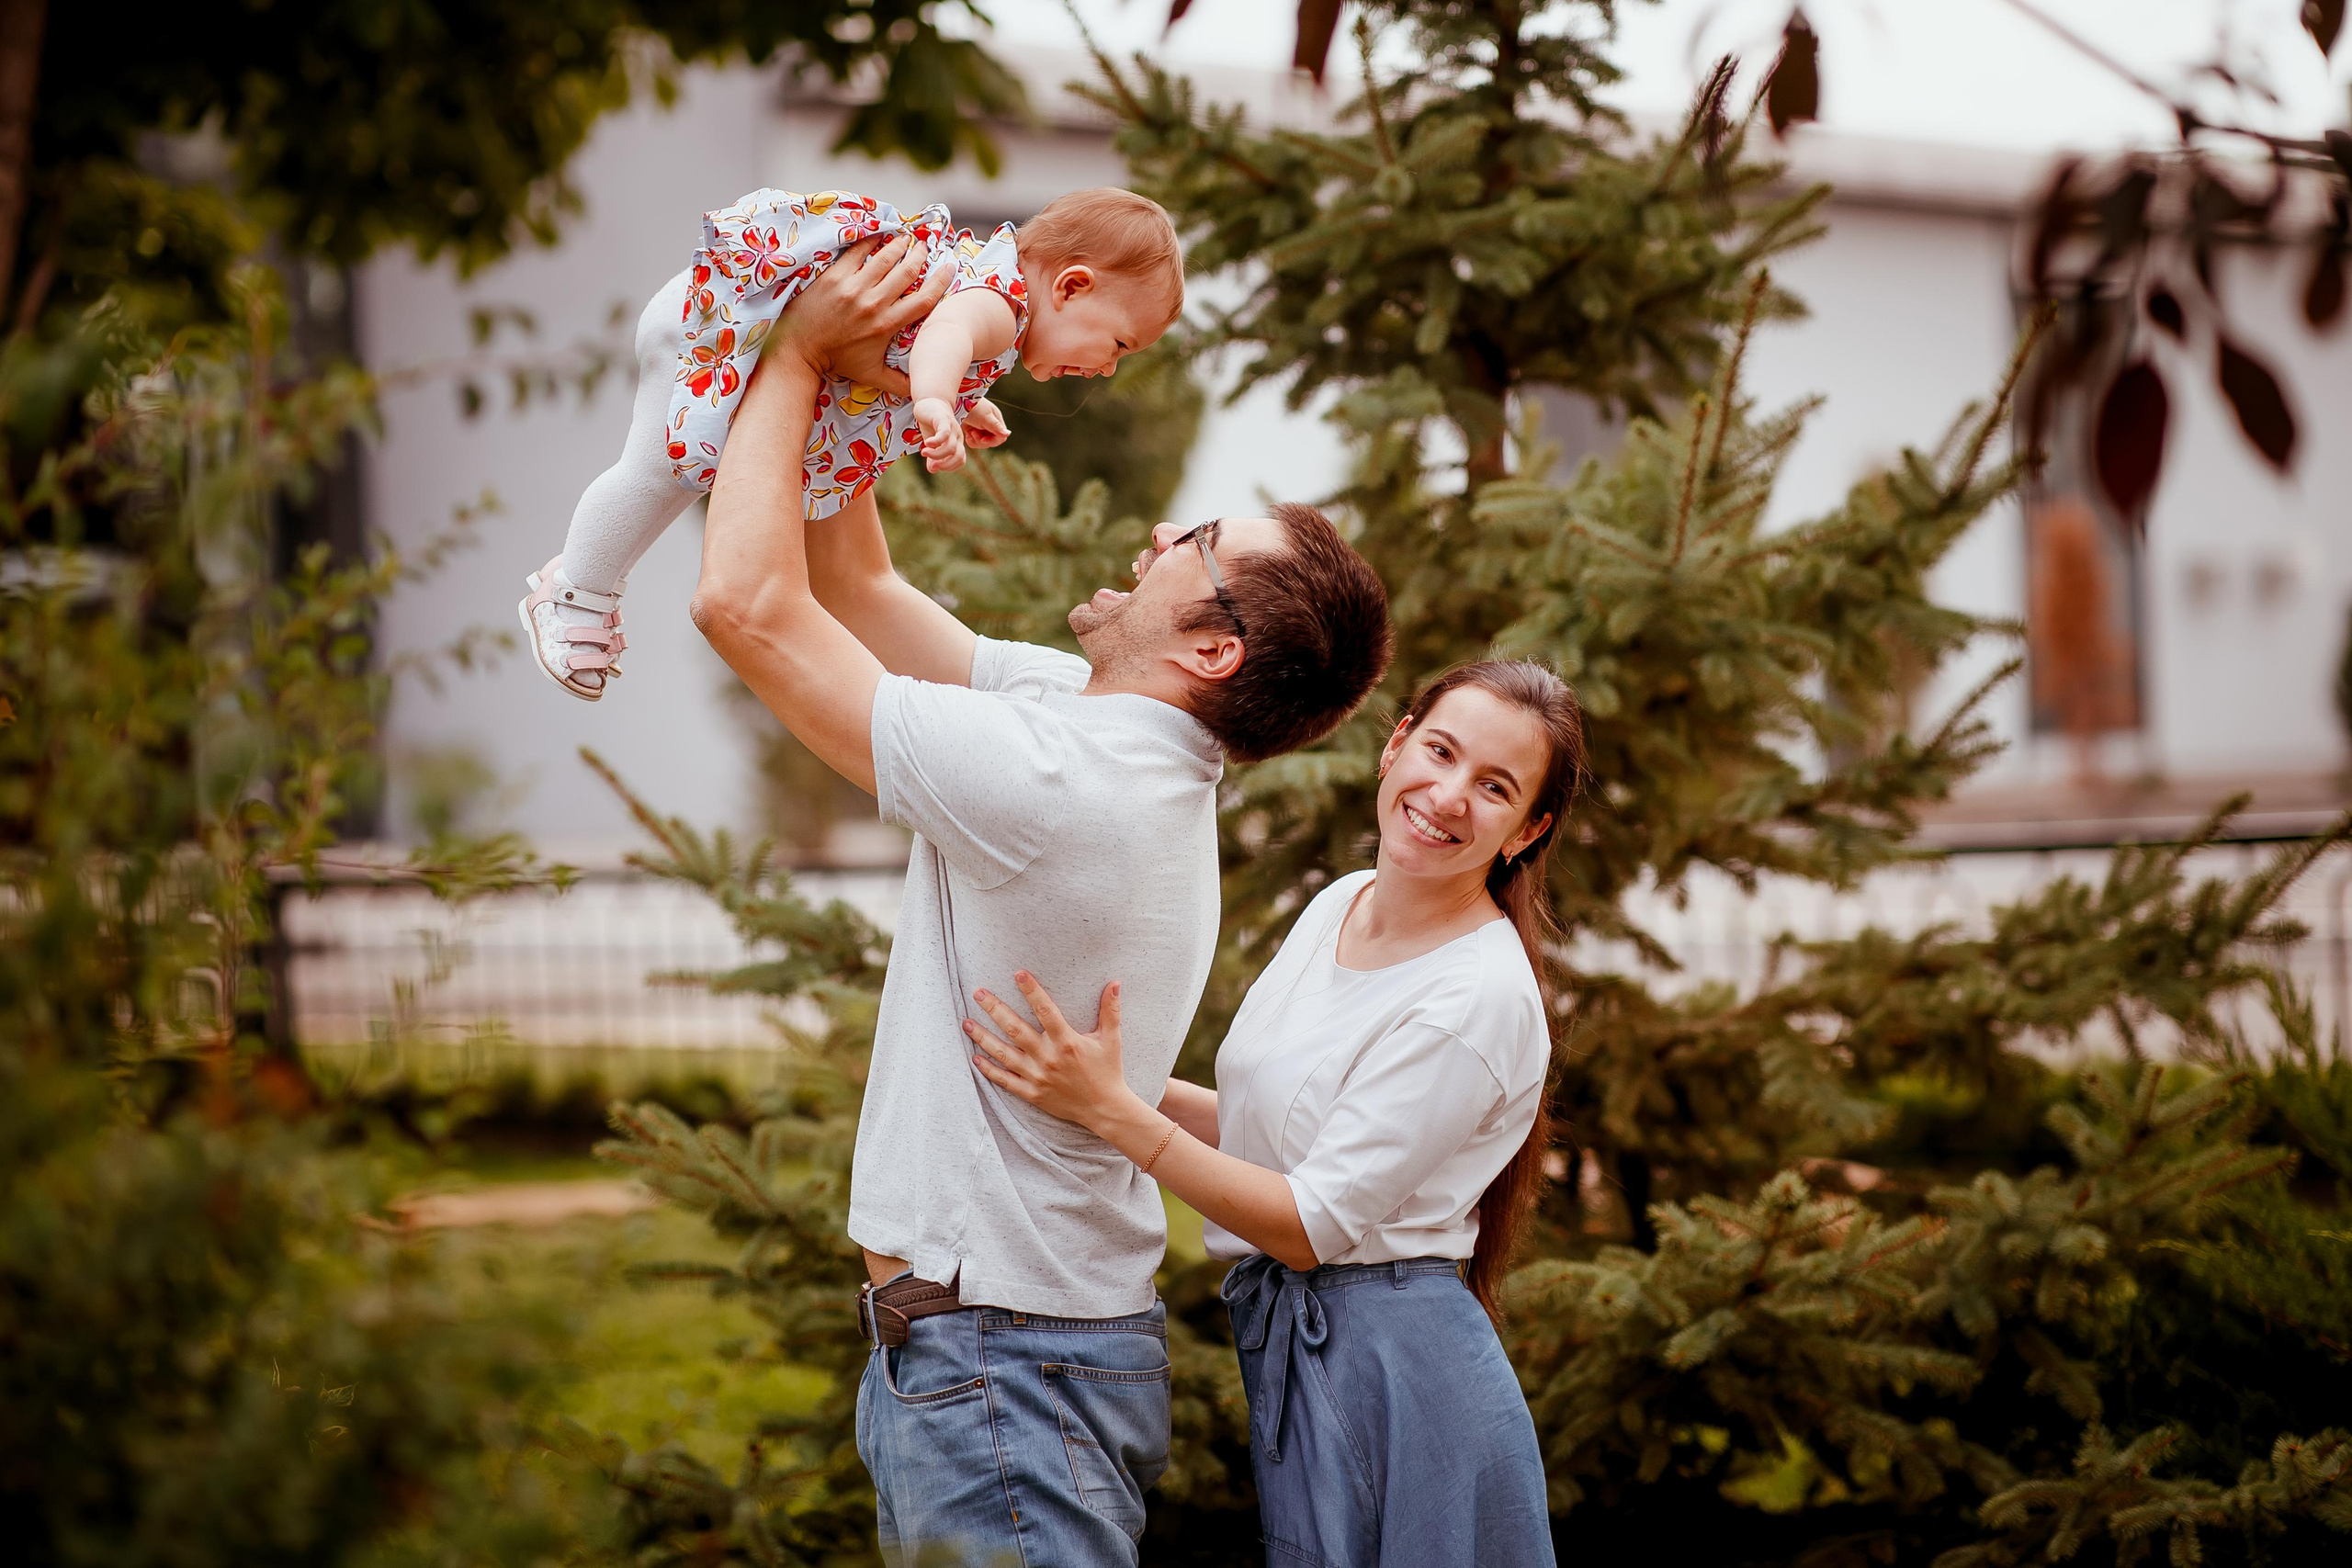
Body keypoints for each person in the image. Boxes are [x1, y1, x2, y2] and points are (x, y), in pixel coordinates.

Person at [685, 232, 1394, 1568]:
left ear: (1212, 643)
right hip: (993, 1351)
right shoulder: (1090, 723)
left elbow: (745, 603)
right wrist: (864, 371)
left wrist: (781, 356)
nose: (1157, 534)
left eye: (1191, 543)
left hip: (1003, 1366)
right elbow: (859, 586)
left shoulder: (1068, 774)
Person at [967, 659, 1587, 1567]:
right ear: (1394, 746)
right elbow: (1272, 1132)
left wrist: (1113, 1116)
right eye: (1440, 751)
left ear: (1526, 830)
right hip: (1312, 1349)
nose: (1448, 795)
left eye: (1493, 787)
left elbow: (1308, 1224)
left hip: (1395, 1377)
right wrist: (1107, 1083)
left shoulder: (1474, 998)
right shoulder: (1344, 902)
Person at [520, 186, 1185, 700]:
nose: (1107, 368)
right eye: (1119, 344)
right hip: (725, 326)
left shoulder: (999, 295)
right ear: (1071, 285)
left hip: (738, 323)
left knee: (680, 472)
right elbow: (945, 333)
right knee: (662, 470)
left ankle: (584, 579)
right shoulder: (1001, 305)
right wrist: (932, 398)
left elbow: (927, 332)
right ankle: (576, 586)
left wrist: (960, 399)